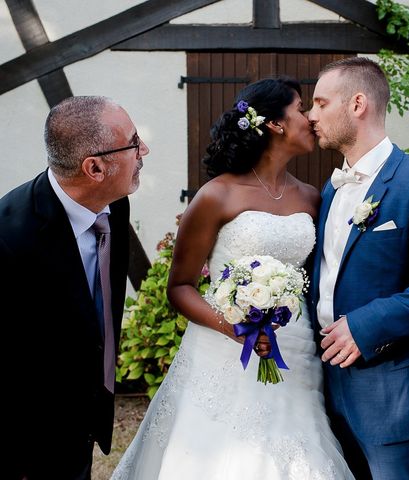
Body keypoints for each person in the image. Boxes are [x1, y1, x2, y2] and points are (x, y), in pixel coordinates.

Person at [111, 78, 354, 480]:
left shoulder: (312, 197)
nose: (310, 118)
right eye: (299, 109)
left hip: (295, 349)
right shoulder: (216, 196)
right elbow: (180, 286)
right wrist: (237, 328)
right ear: (274, 124)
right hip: (222, 351)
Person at [307, 57, 409, 479]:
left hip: (393, 391)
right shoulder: (331, 187)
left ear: (357, 104)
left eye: (321, 103)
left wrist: (365, 326)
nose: (311, 115)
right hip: (325, 384)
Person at [1, 95, 149, 479]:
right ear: (95, 167)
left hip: (81, 424)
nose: (143, 150)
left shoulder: (114, 204)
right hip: (25, 443)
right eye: (134, 143)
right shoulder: (9, 237)